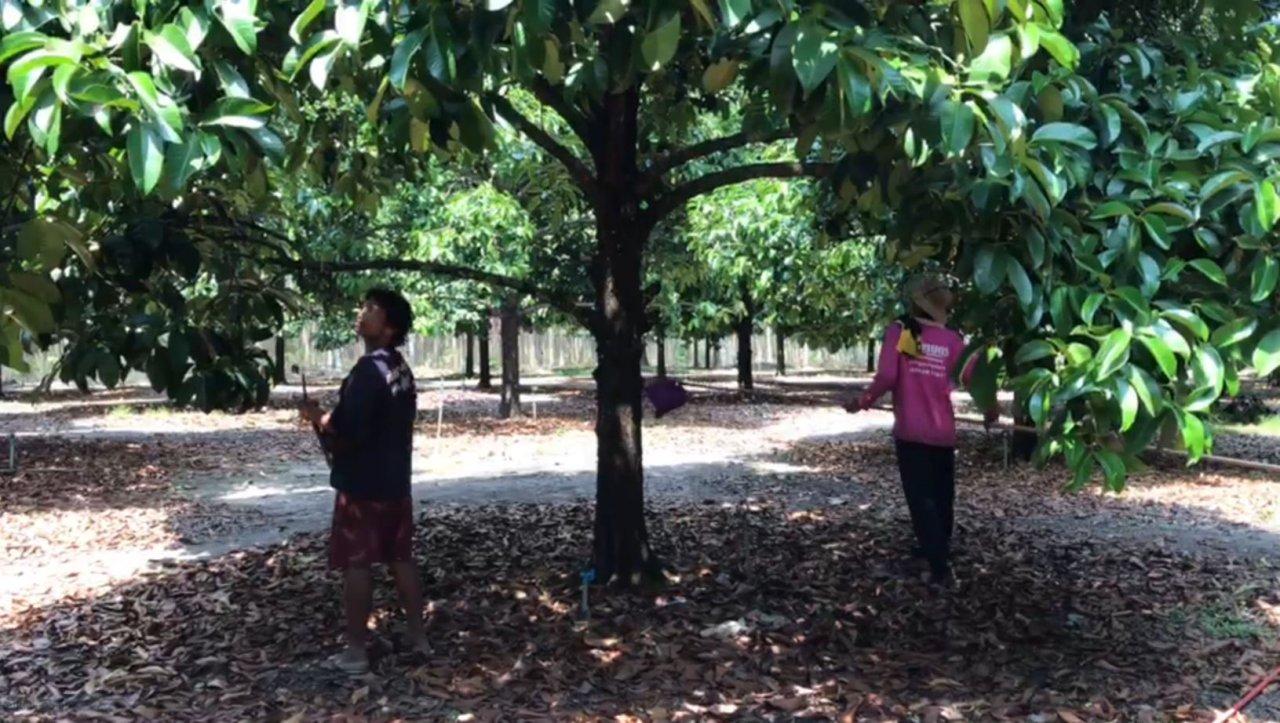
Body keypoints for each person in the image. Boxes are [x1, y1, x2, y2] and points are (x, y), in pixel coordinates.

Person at [300, 288, 427, 674]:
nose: (362, 312)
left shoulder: (368, 371)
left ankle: (355, 652)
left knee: (357, 563)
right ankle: (418, 638)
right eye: (364, 305)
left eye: (372, 308)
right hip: (395, 482)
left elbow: (346, 431)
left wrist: (316, 416)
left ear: (389, 327)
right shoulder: (399, 368)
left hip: (363, 486)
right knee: (400, 558)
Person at [845, 275, 997, 588]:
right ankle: (936, 547)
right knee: (942, 495)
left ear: (916, 302)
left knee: (921, 497)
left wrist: (863, 401)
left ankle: (939, 565)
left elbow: (889, 376)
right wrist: (989, 409)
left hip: (912, 430)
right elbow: (973, 377)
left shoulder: (905, 331)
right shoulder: (952, 339)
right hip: (943, 431)